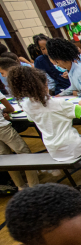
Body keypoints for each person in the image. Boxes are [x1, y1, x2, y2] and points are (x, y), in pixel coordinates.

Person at [0, 62, 39, 190]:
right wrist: (5, 111)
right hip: (2, 128)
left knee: (5, 158)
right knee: (24, 153)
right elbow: (10, 108)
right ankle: (33, 187)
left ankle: (20, 186)